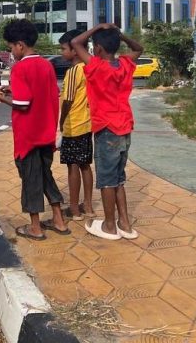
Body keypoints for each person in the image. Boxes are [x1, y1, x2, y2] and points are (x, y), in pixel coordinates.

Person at [0, 19, 69, 240]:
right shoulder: (46, 65)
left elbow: (23, 104)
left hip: (28, 136)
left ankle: (35, 227)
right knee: (45, 176)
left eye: (11, 47)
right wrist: (12, 88)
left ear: (20, 45)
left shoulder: (20, 67)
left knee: (30, 180)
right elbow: (45, 94)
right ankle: (59, 220)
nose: (11, 52)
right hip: (46, 133)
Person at [69, 23, 143, 241]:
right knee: (118, 178)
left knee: (107, 180)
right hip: (125, 127)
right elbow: (139, 48)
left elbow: (75, 43)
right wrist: (119, 35)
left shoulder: (96, 66)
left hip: (106, 129)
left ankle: (110, 226)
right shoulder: (125, 64)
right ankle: (125, 224)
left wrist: (97, 27)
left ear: (98, 48)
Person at [57, 30, 95, 221]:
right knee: (85, 166)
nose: (62, 52)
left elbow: (68, 100)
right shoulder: (89, 68)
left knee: (73, 167)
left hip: (73, 124)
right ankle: (88, 206)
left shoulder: (73, 72)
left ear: (74, 50)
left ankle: (74, 208)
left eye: (64, 48)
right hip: (87, 124)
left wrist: (60, 122)